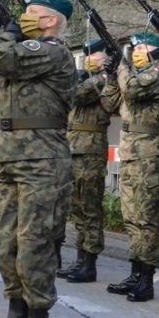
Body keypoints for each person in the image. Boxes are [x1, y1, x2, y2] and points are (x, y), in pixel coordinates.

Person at [0, 0, 76, 318]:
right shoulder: (16, 50)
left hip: (42, 163)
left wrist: (5, 34)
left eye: (31, 11)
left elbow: (3, 60)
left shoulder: (53, 52)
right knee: (7, 246)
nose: (23, 16)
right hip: (8, 158)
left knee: (34, 247)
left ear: (50, 20)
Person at [102, 32, 159, 303]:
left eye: (144, 47)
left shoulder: (156, 75)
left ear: (156, 52)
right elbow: (109, 104)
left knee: (146, 220)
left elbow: (131, 90)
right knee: (131, 218)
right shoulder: (129, 75)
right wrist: (110, 76)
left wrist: (121, 68)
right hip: (130, 153)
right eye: (135, 48)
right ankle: (134, 272)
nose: (138, 51)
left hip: (148, 154)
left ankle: (146, 279)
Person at [57, 40, 115, 284]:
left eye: (94, 54)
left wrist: (91, 77)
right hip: (73, 148)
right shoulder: (87, 77)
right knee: (77, 208)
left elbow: (77, 96)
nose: (89, 57)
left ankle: (89, 263)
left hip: (90, 151)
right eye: (87, 54)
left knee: (90, 208)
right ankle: (80, 258)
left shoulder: (105, 79)